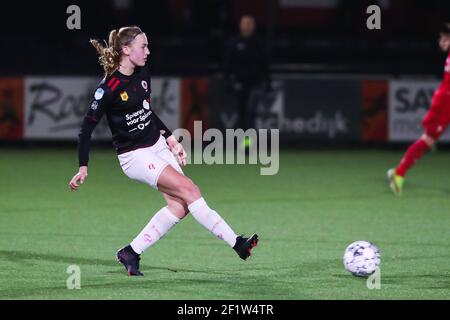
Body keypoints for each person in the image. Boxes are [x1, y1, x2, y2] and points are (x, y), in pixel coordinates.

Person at [68, 26, 258, 276]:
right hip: (134, 156)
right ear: (126, 50)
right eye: (143, 46)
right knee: (190, 190)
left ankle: (131, 252)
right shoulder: (108, 88)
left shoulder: (143, 73)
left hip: (156, 146)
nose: (148, 51)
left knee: (180, 206)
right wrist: (83, 166)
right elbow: (86, 129)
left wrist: (170, 138)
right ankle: (237, 243)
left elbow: (147, 111)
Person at [388, 23, 450, 195]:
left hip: (445, 101)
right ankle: (399, 174)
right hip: (445, 103)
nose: (441, 42)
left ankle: (398, 172)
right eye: (441, 38)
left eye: (445, 38)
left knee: (428, 141)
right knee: (428, 140)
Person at [224, 15, 270, 144]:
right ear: (240, 25)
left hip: (255, 84)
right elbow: (228, 64)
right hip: (240, 84)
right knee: (242, 114)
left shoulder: (259, 43)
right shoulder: (234, 43)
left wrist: (268, 82)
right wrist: (227, 80)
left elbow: (264, 64)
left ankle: (247, 145)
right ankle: (242, 143)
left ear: (254, 26)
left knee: (250, 113)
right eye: (245, 23)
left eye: (250, 23)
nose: (248, 26)